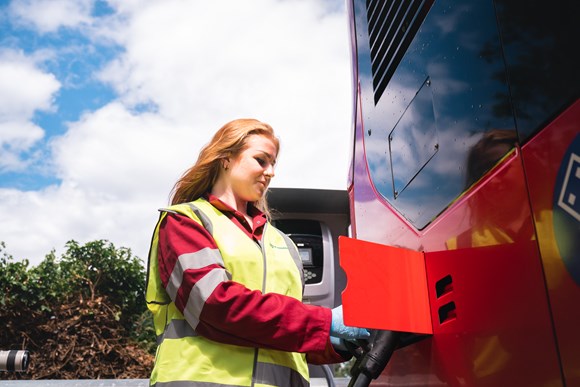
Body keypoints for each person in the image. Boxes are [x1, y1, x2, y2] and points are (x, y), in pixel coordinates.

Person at [145, 118, 370, 387]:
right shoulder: (187, 221)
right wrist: (326, 321)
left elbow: (286, 329)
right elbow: (214, 304)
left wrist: (336, 342)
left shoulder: (282, 243)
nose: (271, 172)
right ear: (226, 158)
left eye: (273, 163)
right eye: (261, 160)